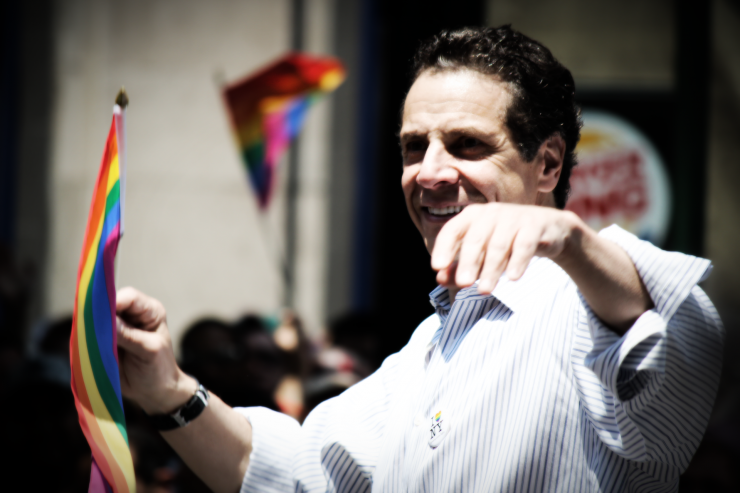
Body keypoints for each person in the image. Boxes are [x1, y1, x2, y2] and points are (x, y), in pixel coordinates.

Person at [114, 26, 723, 492]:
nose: (429, 173)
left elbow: (677, 336)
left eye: (466, 145)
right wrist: (168, 390)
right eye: (413, 147)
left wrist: (569, 240)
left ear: (548, 164)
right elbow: (293, 472)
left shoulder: (583, 304)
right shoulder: (424, 353)